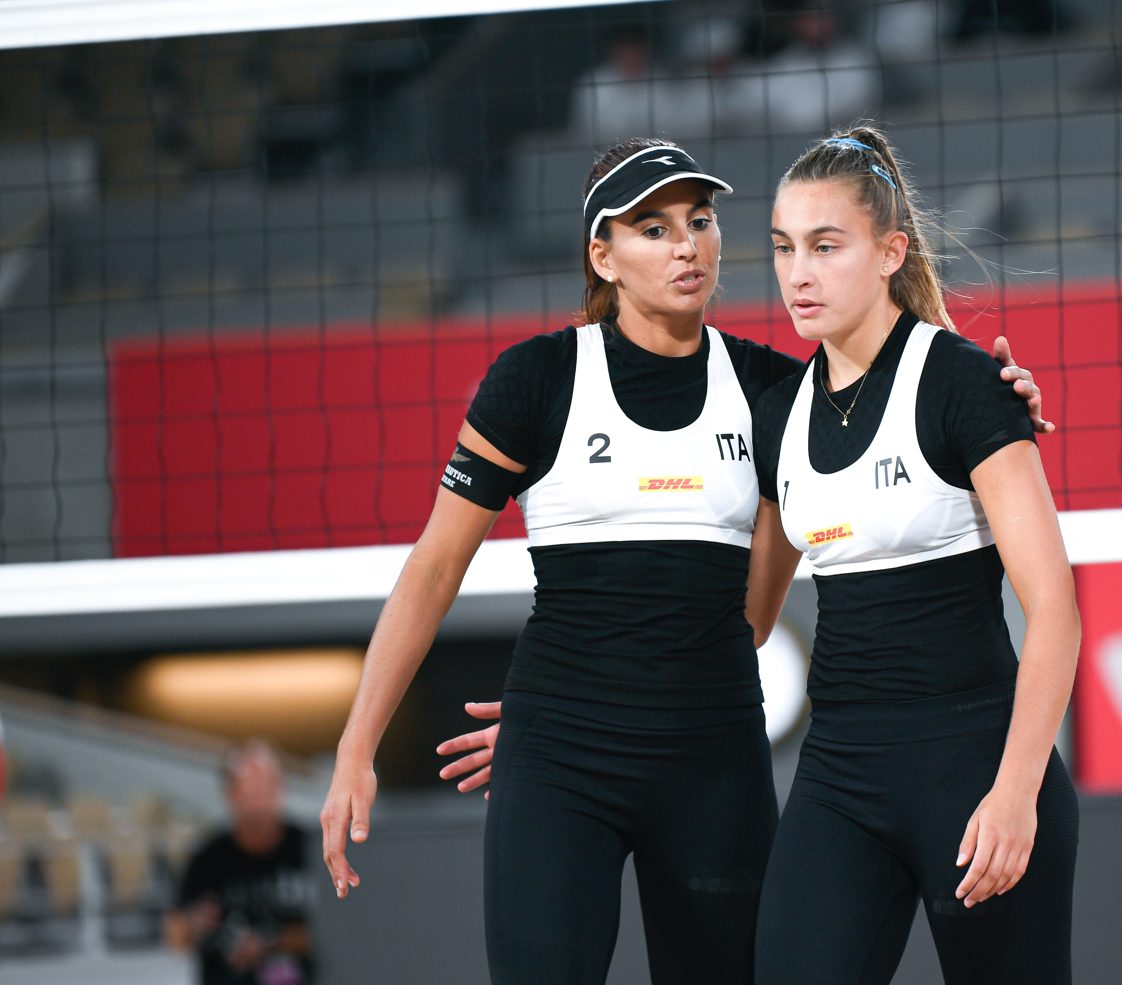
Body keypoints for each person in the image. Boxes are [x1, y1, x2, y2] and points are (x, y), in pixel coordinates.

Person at [325, 138, 1050, 985]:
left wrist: (1002, 396)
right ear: (604, 254)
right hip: (559, 760)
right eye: (654, 227)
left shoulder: (776, 393)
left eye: (699, 222)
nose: (688, 246)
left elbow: (763, 599)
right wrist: (359, 746)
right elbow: (432, 569)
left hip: (713, 760)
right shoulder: (536, 379)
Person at [749, 125, 1081, 985]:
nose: (799, 273)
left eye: (826, 245)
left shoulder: (964, 384)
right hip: (839, 777)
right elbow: (740, 625)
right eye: (785, 248)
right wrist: (556, 702)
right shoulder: (779, 415)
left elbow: (1055, 609)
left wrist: (1016, 796)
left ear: (891, 250)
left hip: (975, 770)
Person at [168, 739, 313, 985]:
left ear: (280, 789)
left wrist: (270, 944)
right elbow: (175, 936)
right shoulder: (207, 857)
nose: (258, 798)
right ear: (230, 794)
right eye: (248, 789)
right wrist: (196, 923)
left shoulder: (309, 848)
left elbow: (339, 929)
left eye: (265, 787)